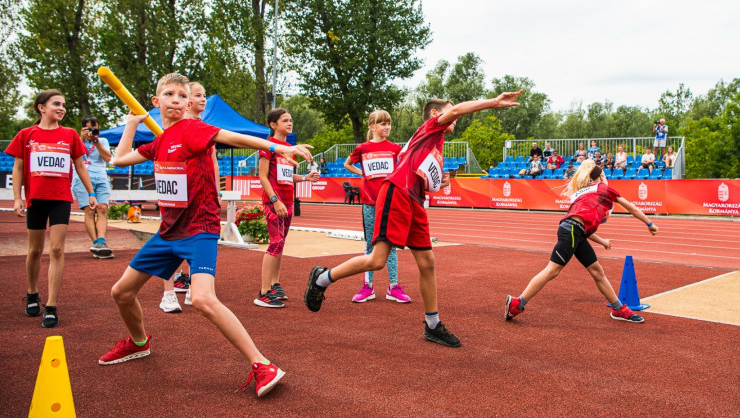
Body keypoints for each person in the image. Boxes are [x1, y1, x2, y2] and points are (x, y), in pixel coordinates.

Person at [98, 73, 312, 399]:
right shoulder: (159, 141)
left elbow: (235, 138)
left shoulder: (193, 129)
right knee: (121, 292)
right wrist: (131, 123)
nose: (176, 99)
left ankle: (262, 364)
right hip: (168, 233)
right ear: (156, 103)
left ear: (187, 104)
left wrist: (279, 147)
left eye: (182, 96)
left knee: (201, 298)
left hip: (200, 229)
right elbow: (119, 159)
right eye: (168, 94)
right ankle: (138, 342)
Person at [304, 90, 522, 348]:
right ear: (435, 114)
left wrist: (438, 182)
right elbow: (453, 112)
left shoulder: (436, 145)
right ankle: (321, 279)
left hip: (415, 201)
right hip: (396, 192)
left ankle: (432, 324)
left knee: (427, 262)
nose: (456, 118)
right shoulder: (431, 127)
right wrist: (493, 103)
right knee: (376, 260)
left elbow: (429, 183)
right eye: (451, 112)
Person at [505, 160, 659, 323]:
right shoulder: (603, 188)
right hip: (572, 231)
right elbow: (631, 207)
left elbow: (581, 227)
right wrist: (650, 223)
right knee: (552, 270)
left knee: (597, 271)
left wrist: (602, 241)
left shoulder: (581, 193)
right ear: (600, 176)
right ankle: (517, 303)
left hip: (573, 231)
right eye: (605, 175)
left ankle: (618, 308)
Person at [5, 90, 97, 328]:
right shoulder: (27, 135)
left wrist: (90, 193)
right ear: (41, 108)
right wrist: (17, 198)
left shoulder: (69, 135)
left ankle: (52, 305)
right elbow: (17, 168)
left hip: (60, 199)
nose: (61, 108)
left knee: (56, 249)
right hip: (35, 199)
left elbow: (79, 165)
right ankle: (32, 293)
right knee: (34, 250)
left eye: (63, 105)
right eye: (56, 104)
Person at [159, 81, 218, 314]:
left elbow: (212, 162)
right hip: (177, 191)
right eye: (198, 95)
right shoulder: (175, 126)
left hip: (201, 196)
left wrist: (216, 188)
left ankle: (194, 288)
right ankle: (168, 293)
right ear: (189, 101)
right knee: (171, 243)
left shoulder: (203, 126)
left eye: (205, 95)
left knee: (197, 241)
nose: (203, 99)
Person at [343, 110, 409, 304]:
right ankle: (368, 287)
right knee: (370, 244)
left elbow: (403, 168)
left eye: (389, 123)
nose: (387, 127)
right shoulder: (362, 148)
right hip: (370, 203)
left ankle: (394, 287)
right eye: (382, 124)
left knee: (391, 244)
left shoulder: (396, 149)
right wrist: (362, 174)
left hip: (389, 203)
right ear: (372, 126)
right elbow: (348, 164)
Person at [255, 107, 319, 308]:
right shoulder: (268, 146)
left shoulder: (289, 147)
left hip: (288, 201)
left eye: (291, 120)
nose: (290, 123)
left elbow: (285, 176)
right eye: (285, 120)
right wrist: (275, 200)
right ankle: (263, 292)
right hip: (275, 202)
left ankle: (274, 284)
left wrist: (305, 178)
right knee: (275, 243)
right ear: (273, 125)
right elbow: (263, 176)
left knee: (280, 244)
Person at [72, 116, 114, 259]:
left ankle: (101, 241)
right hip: (82, 178)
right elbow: (73, 159)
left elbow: (108, 158)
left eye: (94, 129)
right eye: (88, 129)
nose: (91, 132)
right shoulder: (76, 141)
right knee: (89, 210)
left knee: (102, 208)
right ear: (82, 129)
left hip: (101, 176)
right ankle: (96, 243)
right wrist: (82, 140)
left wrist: (96, 141)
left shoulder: (102, 141)